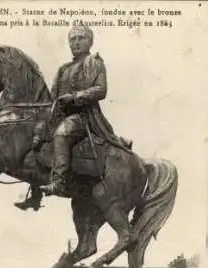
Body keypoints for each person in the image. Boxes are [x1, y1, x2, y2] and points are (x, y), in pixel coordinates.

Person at [15, 26, 131, 210]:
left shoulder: (94, 62)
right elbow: (52, 96)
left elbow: (101, 90)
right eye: (72, 39)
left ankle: (59, 181)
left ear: (90, 41)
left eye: (81, 38)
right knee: (34, 138)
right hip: (60, 114)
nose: (76, 42)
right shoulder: (63, 69)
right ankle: (35, 194)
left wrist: (75, 97)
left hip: (83, 116)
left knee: (62, 133)